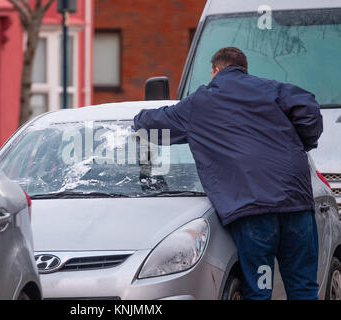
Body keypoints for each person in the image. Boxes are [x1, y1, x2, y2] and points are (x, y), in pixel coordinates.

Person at [133, 47, 323, 300]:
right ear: (244, 69)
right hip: (295, 204)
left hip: (254, 211)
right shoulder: (271, 89)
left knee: (261, 286)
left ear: (215, 71)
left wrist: (136, 120)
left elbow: (157, 122)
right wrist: (300, 144)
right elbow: (308, 107)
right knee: (303, 286)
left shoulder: (200, 103)